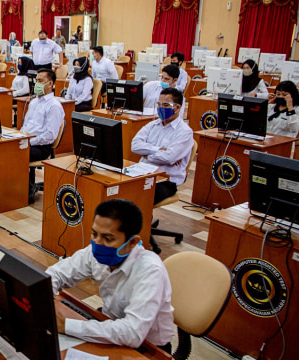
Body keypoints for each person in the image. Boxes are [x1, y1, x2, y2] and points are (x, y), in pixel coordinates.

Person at [46, 199, 174, 350]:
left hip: (148, 347)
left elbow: (132, 333)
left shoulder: (150, 271)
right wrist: (43, 300)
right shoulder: (95, 251)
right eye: (94, 234)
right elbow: (57, 274)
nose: (97, 243)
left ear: (132, 242)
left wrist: (66, 325)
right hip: (110, 325)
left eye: (108, 239)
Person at [132, 87, 194, 204]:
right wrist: (157, 150)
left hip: (167, 180)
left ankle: (142, 221)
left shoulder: (185, 132)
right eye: (159, 104)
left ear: (177, 107)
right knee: (120, 190)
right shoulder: (152, 125)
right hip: (143, 172)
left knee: (137, 198)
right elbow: (135, 145)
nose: (161, 108)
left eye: (165, 105)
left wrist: (146, 155)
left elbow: (169, 157)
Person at [21, 69, 65, 162]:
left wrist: (29, 142)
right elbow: (25, 125)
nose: (37, 83)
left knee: (11, 153)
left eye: (40, 81)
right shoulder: (33, 102)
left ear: (50, 84)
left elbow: (50, 135)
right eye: (36, 80)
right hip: (26, 141)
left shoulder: (54, 106)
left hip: (40, 147)